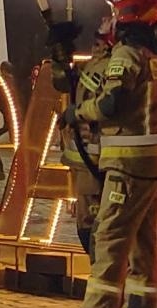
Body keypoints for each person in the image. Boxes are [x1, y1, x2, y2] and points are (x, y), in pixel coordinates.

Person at [63, 0, 157, 308]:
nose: (108, 20)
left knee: (110, 237)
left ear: (127, 16)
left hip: (129, 164)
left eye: (113, 13)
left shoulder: (126, 55)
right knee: (143, 242)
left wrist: (78, 112)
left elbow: (111, 104)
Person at [48, 15, 116, 259]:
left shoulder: (114, 67)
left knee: (98, 224)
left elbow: (105, 105)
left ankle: (103, 270)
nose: (95, 46)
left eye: (100, 40)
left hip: (100, 158)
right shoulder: (94, 64)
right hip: (85, 159)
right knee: (86, 221)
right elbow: (66, 84)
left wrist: (75, 113)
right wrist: (60, 57)